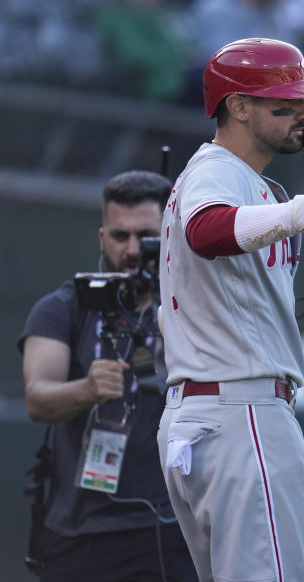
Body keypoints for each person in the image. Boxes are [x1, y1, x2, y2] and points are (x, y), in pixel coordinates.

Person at [156, 37, 304, 582]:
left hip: (208, 415)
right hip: (241, 413)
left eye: (303, 102)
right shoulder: (217, 172)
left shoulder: (249, 183)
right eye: (285, 103)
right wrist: (299, 212)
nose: (303, 113)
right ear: (238, 107)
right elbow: (205, 231)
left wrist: (293, 214)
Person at [19, 170, 196, 582]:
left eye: (146, 236)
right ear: (102, 239)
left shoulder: (196, 309)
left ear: (168, 235)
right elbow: (37, 398)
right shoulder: (63, 308)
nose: (133, 249)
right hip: (81, 532)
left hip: (171, 529)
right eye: (120, 236)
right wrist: (87, 389)